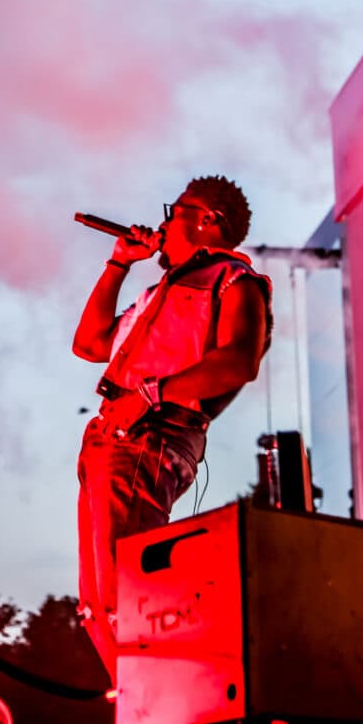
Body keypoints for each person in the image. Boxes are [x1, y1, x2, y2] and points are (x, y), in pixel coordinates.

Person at [72, 175, 272, 683]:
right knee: (97, 606)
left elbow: (239, 361)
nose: (163, 221)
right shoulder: (159, 293)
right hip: (110, 438)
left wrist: (149, 395)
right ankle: (141, 704)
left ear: (208, 220)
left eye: (176, 209)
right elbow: (90, 344)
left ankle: (163, 705)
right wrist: (119, 263)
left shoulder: (233, 280)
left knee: (125, 593)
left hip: (152, 434)